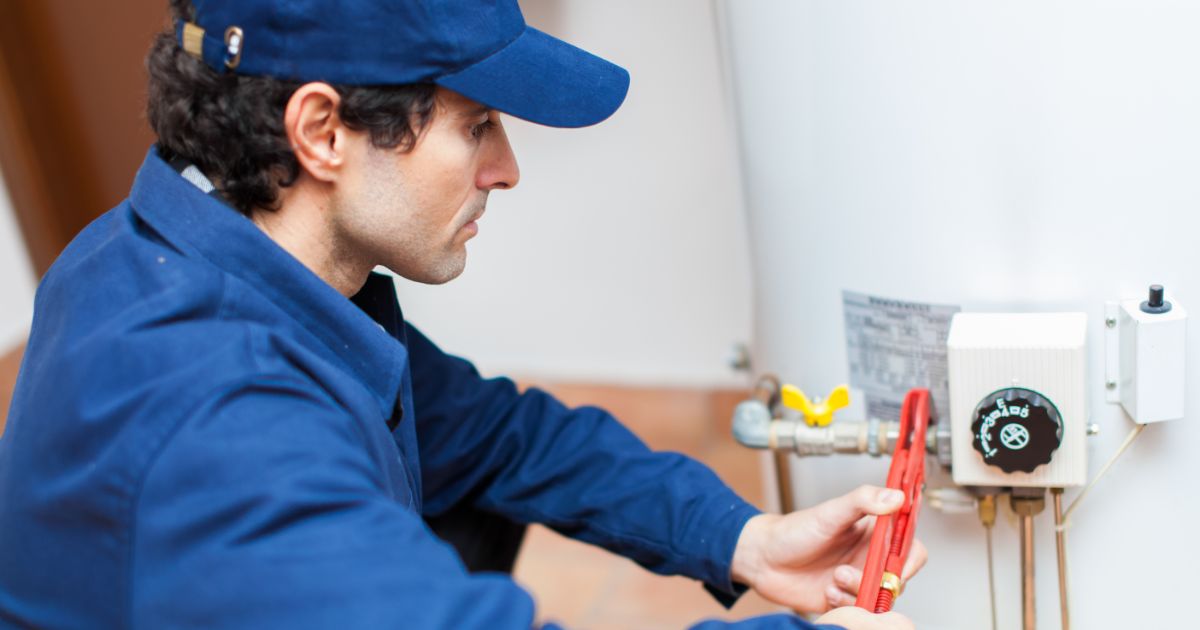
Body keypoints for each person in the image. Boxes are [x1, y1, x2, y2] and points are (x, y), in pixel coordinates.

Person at [0, 1, 925, 628]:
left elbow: (497, 438)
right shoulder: (223, 434)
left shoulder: (190, 245)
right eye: (477, 123)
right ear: (323, 132)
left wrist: (742, 538)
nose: (506, 168)